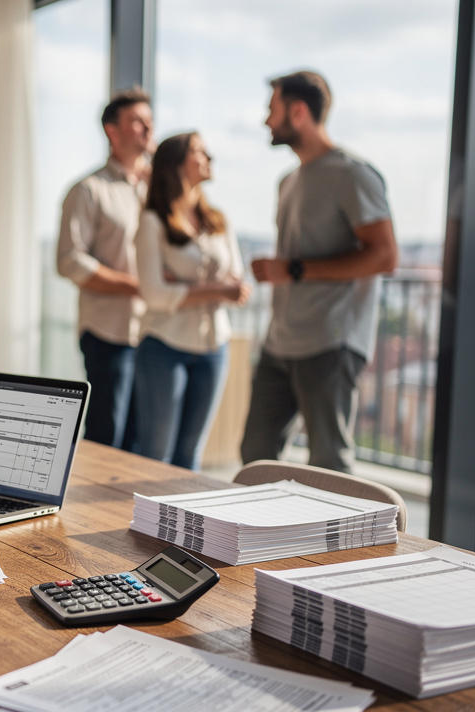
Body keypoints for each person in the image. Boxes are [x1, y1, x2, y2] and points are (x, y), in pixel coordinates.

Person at [241, 71, 397, 473]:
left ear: (298, 111)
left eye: (271, 110)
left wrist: (291, 269)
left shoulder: (353, 174)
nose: (265, 120)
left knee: (329, 464)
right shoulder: (288, 181)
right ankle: (262, 536)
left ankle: (342, 539)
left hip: (330, 340)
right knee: (255, 454)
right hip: (281, 341)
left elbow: (383, 256)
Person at [132, 132, 250, 471]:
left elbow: (237, 282)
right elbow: (154, 293)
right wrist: (215, 289)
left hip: (215, 348)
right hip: (163, 347)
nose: (209, 157)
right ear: (175, 163)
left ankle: (181, 525)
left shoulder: (218, 219)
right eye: (199, 151)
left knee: (190, 458)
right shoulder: (152, 222)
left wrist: (184, 286)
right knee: (156, 457)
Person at [57, 87, 153, 450]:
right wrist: (134, 286)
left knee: (143, 440)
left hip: (155, 333)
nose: (148, 129)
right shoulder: (88, 190)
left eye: (150, 121)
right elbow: (69, 260)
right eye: (138, 122)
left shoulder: (157, 190)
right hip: (108, 332)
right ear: (112, 131)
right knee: (107, 436)